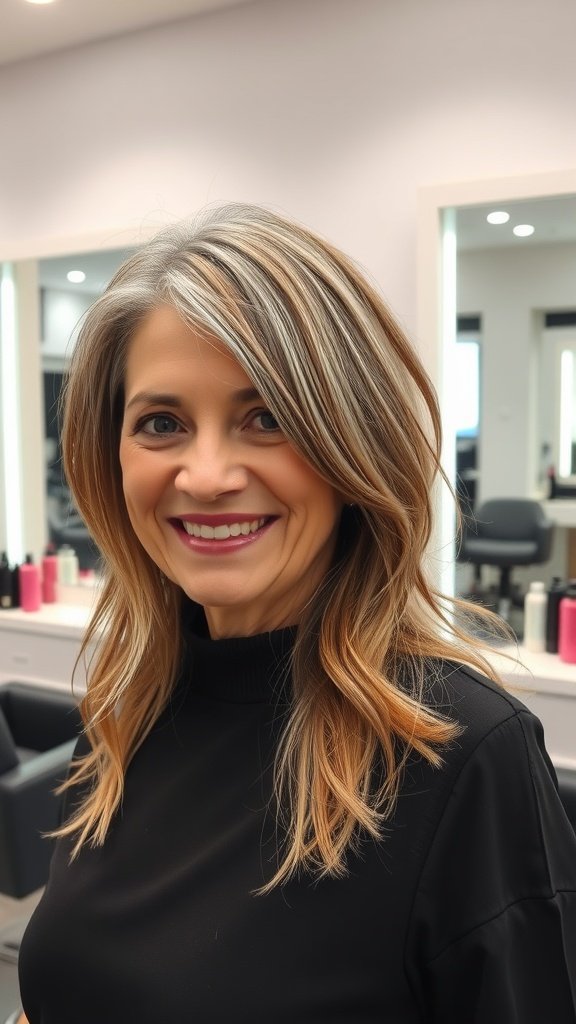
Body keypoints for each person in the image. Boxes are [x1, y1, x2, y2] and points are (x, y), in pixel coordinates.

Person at [17, 204, 576, 1023]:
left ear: (354, 441)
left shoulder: (466, 762)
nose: (205, 476)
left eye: (266, 418)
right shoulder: (126, 711)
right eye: (162, 423)